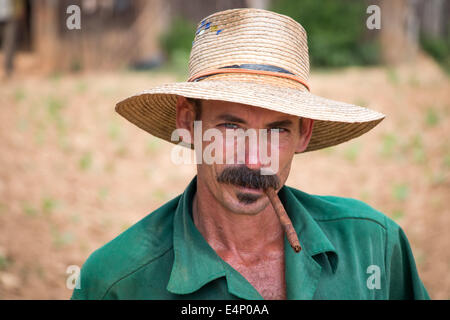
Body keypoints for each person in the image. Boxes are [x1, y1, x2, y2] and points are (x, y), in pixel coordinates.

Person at [71, 8, 429, 300]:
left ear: (304, 133)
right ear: (188, 123)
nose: (257, 162)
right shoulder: (117, 282)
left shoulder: (374, 245)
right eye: (231, 127)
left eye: (277, 130)